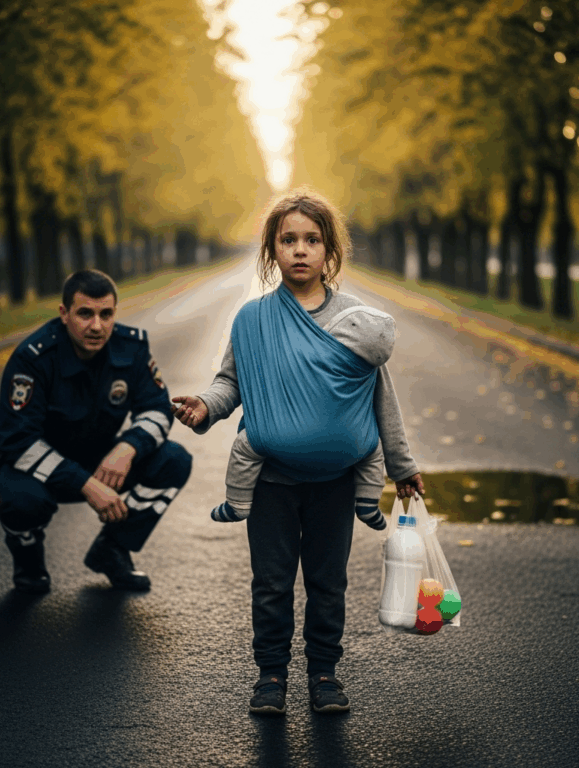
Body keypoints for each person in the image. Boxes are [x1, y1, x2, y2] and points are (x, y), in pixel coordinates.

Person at [172, 189, 424, 715]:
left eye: (312, 239)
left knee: (328, 583)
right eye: (289, 240)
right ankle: (270, 676)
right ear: (272, 250)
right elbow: (230, 383)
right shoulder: (253, 320)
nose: (300, 250)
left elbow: (383, 397)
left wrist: (401, 467)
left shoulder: (357, 323)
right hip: (272, 481)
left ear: (330, 249)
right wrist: (204, 407)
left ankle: (325, 673)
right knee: (271, 583)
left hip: (336, 482)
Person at [0, 269, 192, 594]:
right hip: (35, 467)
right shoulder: (33, 357)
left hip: (98, 457)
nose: (97, 326)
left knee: (174, 459)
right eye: (85, 314)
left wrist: (128, 447)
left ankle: (113, 550)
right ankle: (29, 560)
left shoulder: (130, 348)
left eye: (106, 314)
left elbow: (157, 409)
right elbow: (19, 441)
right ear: (64, 314)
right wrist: (87, 485)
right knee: (22, 503)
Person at [210, 303, 397, 531]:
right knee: (372, 452)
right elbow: (385, 401)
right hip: (352, 444)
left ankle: (237, 503)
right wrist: (402, 468)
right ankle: (368, 504)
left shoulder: (324, 337)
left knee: (245, 446)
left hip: (282, 441)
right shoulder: (368, 357)